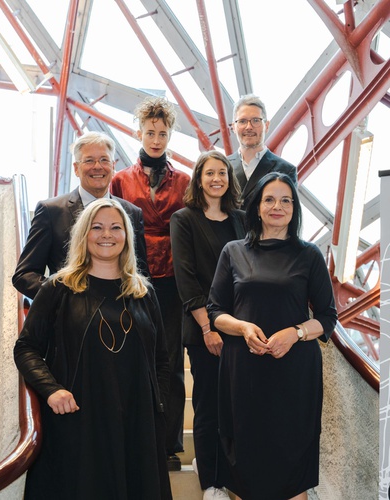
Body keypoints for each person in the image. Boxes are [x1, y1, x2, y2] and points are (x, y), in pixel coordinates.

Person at [14, 198, 172, 500]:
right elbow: (26, 348)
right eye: (97, 227)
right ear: (83, 234)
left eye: (116, 227)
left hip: (137, 423)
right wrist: (51, 390)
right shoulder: (58, 288)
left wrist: (157, 406)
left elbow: (161, 360)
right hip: (81, 420)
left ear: (127, 236)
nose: (106, 235)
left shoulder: (143, 292)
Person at [207, 172, 338, 500]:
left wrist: (295, 333)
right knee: (245, 465)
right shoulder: (233, 251)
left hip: (294, 374)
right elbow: (216, 311)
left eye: (286, 200)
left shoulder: (309, 255)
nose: (277, 206)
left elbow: (327, 317)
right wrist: (243, 328)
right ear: (257, 206)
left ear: (294, 209)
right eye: (269, 199)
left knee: (291, 468)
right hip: (243, 371)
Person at [110, 95, 190, 471]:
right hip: (134, 275)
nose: (156, 140)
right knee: (132, 356)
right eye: (150, 133)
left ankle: (169, 444)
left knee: (171, 359)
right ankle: (134, 437)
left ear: (170, 135)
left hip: (174, 278)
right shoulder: (120, 180)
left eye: (162, 133)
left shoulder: (185, 181)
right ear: (138, 133)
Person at [170, 150, 246, 499]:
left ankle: (231, 472)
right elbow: (186, 279)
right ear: (198, 179)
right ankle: (211, 482)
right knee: (208, 405)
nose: (217, 179)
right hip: (204, 328)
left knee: (236, 405)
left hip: (240, 326)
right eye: (210, 173)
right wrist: (207, 328)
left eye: (223, 173)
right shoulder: (184, 219)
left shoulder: (241, 220)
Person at [12, 131, 148, 300]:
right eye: (89, 160)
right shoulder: (51, 212)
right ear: (76, 168)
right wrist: (65, 300)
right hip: (66, 315)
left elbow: (141, 274)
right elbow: (25, 275)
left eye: (104, 160)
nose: (97, 166)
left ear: (113, 166)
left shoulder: (132, 213)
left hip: (120, 311)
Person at [228, 94, 297, 210]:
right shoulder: (223, 166)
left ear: (267, 125)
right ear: (234, 127)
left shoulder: (286, 170)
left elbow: (289, 214)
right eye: (242, 121)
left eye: (256, 120)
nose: (249, 127)